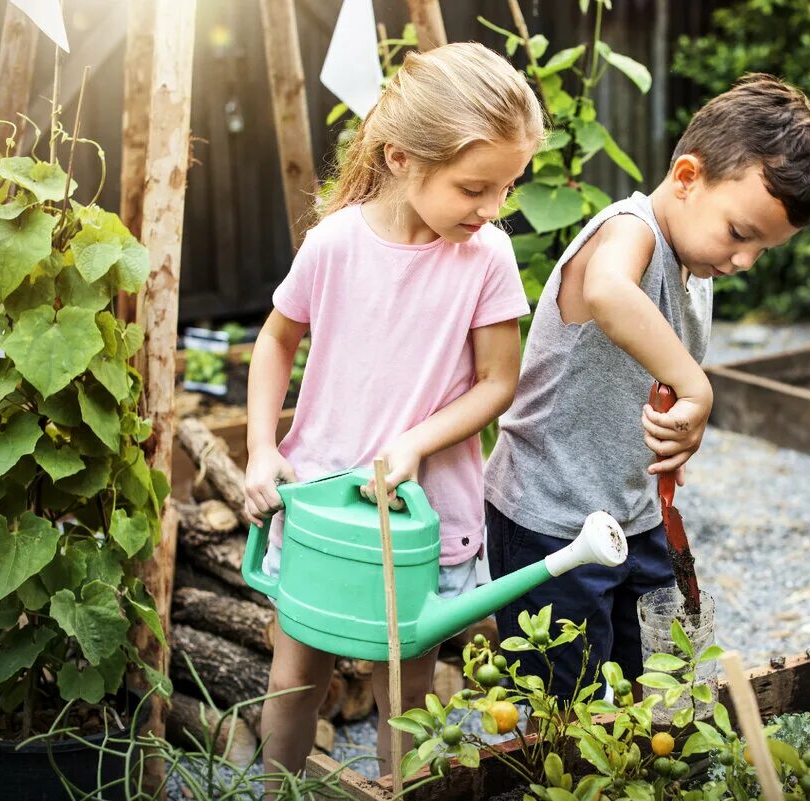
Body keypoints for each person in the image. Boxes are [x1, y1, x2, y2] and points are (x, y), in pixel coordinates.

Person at [241, 42, 542, 778]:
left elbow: (498, 382)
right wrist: (258, 447)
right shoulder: (336, 242)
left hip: (423, 514)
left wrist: (415, 441)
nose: (494, 209)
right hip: (317, 503)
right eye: (476, 187)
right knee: (291, 685)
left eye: (507, 186)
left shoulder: (488, 257)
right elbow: (276, 340)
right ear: (404, 158)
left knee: (405, 699)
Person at [484, 74, 810, 700]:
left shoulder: (696, 266)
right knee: (563, 709)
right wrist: (696, 385)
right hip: (552, 521)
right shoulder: (631, 230)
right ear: (687, 177)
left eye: (764, 249)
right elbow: (609, 293)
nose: (745, 262)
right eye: (739, 233)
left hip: (634, 517)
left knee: (652, 686)